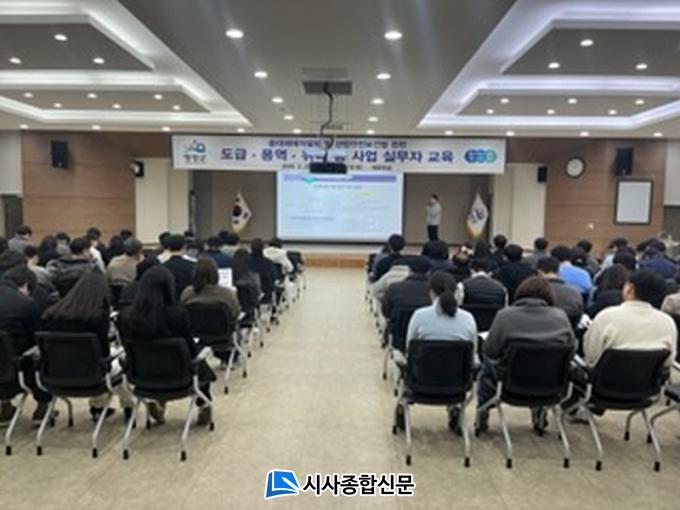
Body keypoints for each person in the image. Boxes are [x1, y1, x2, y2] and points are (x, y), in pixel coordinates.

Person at [119, 266, 216, 425]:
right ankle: (203, 404)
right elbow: (190, 349)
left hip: (142, 377)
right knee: (199, 361)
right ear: (169, 287)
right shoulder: (178, 315)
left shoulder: (127, 316)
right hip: (179, 376)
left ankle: (157, 402)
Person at [477, 276, 576, 431]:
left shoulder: (505, 316)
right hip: (549, 385)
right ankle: (540, 410)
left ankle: (483, 410)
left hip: (510, 384)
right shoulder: (561, 317)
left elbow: (490, 350)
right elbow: (571, 350)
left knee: (487, 365)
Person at [42, 271, 133, 421]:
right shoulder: (97, 317)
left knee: (100, 365)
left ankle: (99, 407)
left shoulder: (51, 314)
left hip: (56, 373)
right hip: (91, 373)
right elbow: (104, 355)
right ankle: (128, 406)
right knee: (121, 362)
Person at [406, 271, 478, 431]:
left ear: (431, 291)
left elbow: (409, 350)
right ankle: (455, 408)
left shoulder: (419, 316)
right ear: (455, 291)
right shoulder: (468, 318)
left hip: (420, 382)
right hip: (457, 386)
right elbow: (473, 356)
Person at [584, 270, 676, 367]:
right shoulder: (668, 323)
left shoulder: (606, 317)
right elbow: (668, 361)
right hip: (649, 377)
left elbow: (591, 356)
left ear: (630, 289)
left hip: (605, 376)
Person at [0, 266, 50, 425]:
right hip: (17, 369)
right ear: (25, 285)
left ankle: (5, 406)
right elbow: (36, 337)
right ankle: (42, 407)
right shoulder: (25, 303)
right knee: (40, 355)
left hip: (5, 369)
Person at [537, 257, 584, 328]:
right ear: (558, 272)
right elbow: (578, 316)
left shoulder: (534, 291)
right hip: (566, 330)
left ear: (539, 272)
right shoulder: (574, 292)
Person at [162, 234, 196, 299]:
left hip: (169, 300)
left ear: (168, 248)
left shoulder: (162, 267)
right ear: (184, 247)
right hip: (188, 299)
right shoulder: (193, 266)